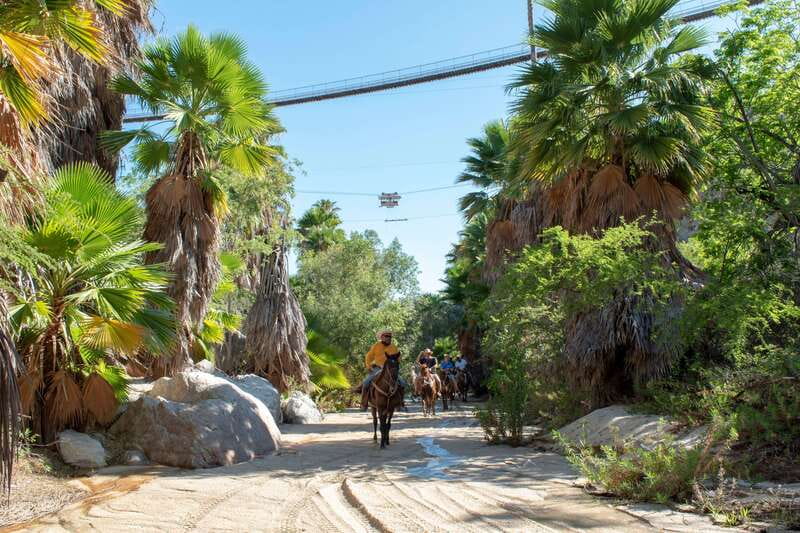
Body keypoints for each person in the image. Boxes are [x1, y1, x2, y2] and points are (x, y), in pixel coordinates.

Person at [356, 330, 406, 410]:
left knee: (402, 383)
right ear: (382, 337)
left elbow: (398, 358)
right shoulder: (376, 346)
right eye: (386, 336)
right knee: (366, 382)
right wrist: (369, 366)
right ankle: (364, 403)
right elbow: (368, 356)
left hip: (390, 369)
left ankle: (400, 403)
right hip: (378, 368)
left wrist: (395, 363)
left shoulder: (394, 347)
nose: (388, 338)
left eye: (390, 337)